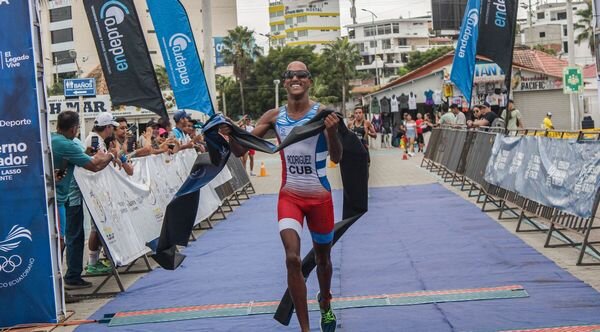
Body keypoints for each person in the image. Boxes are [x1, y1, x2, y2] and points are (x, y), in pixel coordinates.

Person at [221, 61, 341, 332]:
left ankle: (325, 302)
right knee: (292, 258)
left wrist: (332, 133)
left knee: (323, 260)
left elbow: (337, 157)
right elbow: (241, 149)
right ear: (285, 82)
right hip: (290, 197)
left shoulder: (323, 114)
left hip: (320, 197)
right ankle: (305, 328)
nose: (295, 78)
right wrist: (231, 133)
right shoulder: (274, 117)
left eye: (301, 75)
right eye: (290, 75)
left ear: (309, 81)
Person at [51, 111, 114, 289]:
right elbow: (94, 167)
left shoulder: (56, 139)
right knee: (65, 240)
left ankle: (64, 280)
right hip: (63, 199)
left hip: (61, 198)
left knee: (65, 239)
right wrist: (111, 156)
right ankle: (62, 282)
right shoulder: (67, 144)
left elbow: (80, 159)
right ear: (74, 128)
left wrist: (88, 155)